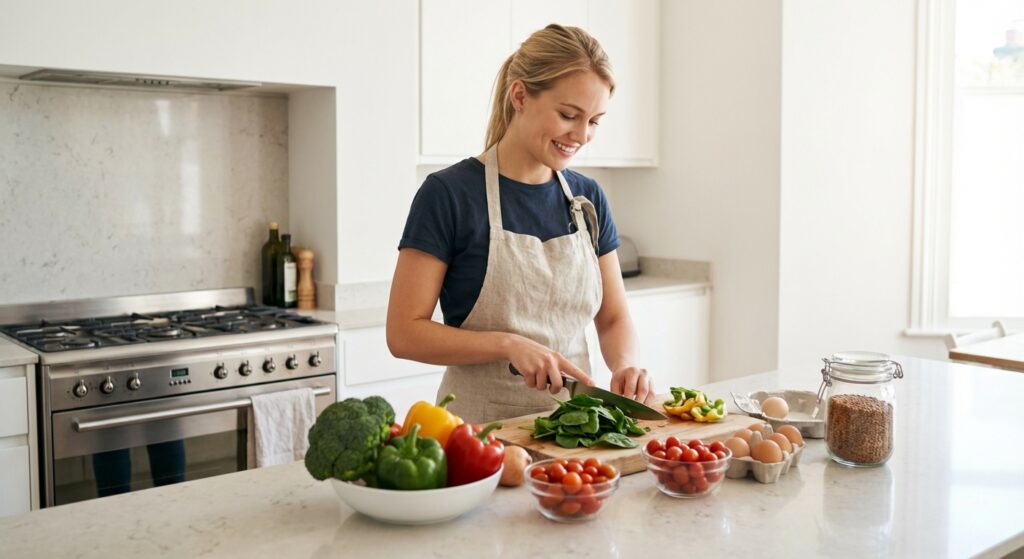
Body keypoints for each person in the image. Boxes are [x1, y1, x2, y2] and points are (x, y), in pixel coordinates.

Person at [387, 24, 655, 424]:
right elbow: (404, 333)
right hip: (480, 437)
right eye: (568, 115)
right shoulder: (449, 194)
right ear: (520, 96)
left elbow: (613, 318)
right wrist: (508, 344)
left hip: (578, 429)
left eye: (594, 121)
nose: (581, 135)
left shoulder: (588, 199)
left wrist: (626, 365)